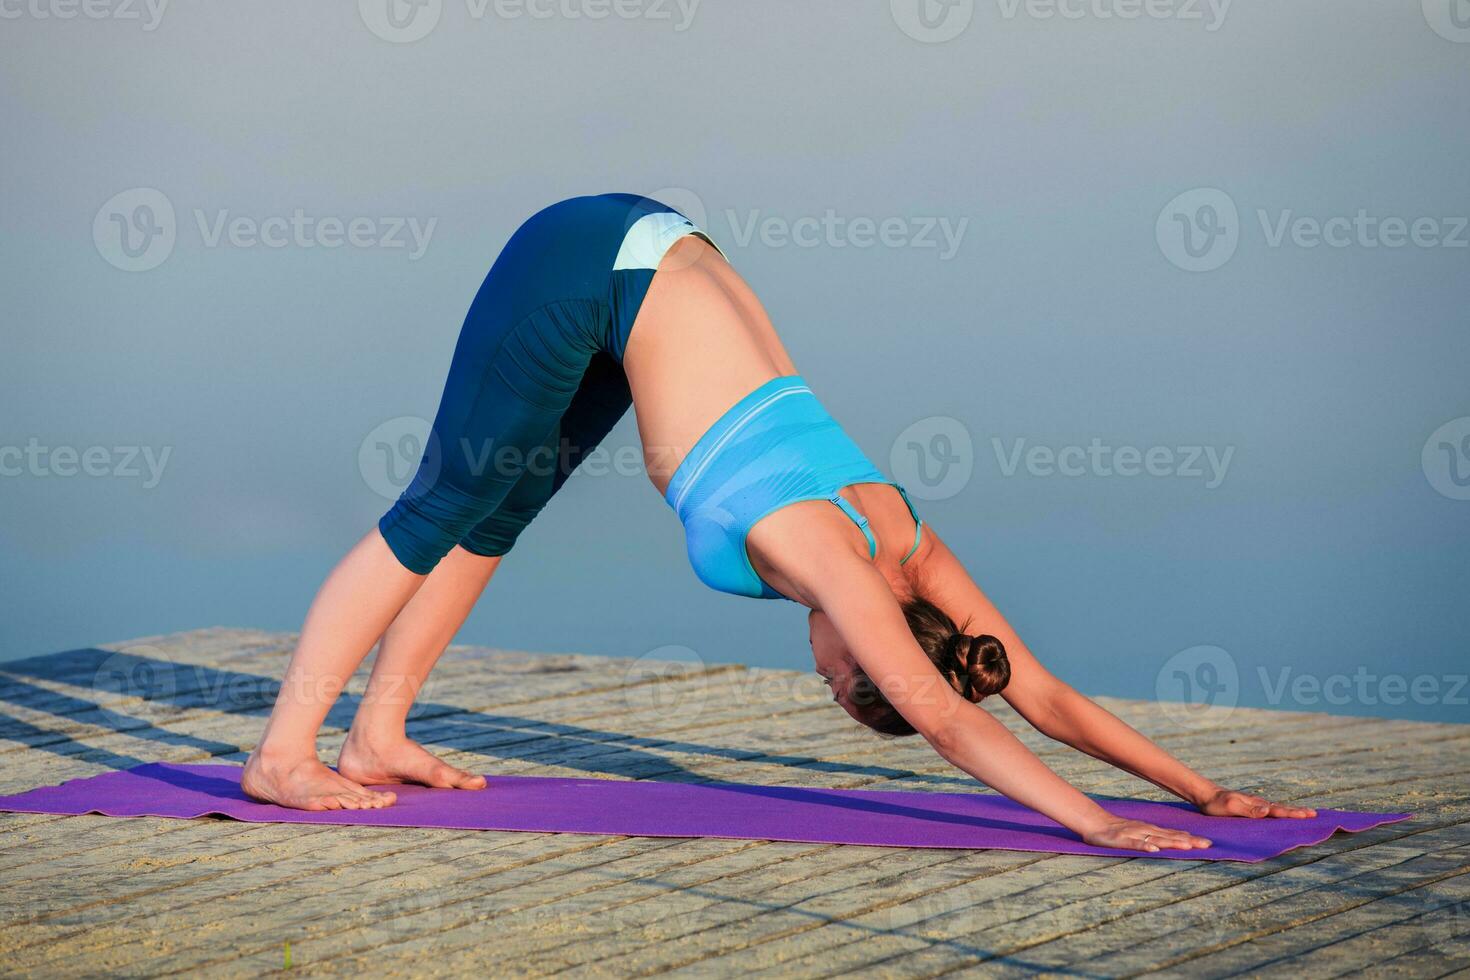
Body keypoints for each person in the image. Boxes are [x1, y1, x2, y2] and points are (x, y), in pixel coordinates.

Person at [243, 194, 1315, 852]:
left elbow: (1033, 687)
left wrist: (1201, 788)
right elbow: (952, 718)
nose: (822, 668)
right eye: (838, 681)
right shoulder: (833, 557)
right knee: (441, 504)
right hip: (591, 262)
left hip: (646, 270)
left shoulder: (908, 543)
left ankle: (376, 730)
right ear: (870, 653)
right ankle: (284, 748)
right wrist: (1093, 818)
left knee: (497, 509)